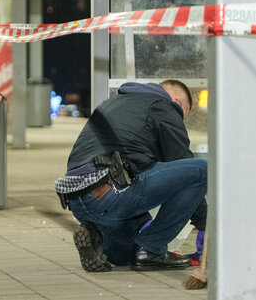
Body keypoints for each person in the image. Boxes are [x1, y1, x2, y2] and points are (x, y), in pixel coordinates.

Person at [54, 80, 207, 272]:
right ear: (176, 101)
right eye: (183, 112)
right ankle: (152, 249)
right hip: (110, 191)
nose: (180, 119)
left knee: (127, 256)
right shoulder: (163, 106)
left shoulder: (112, 103)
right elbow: (186, 167)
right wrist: (204, 225)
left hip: (77, 199)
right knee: (203, 170)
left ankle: (97, 236)